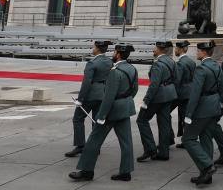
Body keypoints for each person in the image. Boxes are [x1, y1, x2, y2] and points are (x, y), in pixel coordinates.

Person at [69, 43, 138, 181]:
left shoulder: (115, 71)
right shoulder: (132, 69)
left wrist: (101, 115)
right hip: (126, 108)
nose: (113, 54)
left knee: (94, 140)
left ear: (118, 54)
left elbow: (108, 97)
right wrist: (124, 101)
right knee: (126, 142)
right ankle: (126, 172)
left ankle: (87, 171)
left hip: (112, 111)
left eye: (114, 52)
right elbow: (134, 90)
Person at [181, 41, 223, 186]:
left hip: (203, 108)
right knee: (206, 139)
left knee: (188, 139)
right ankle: (206, 175)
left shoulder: (201, 69)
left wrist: (188, 114)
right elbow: (222, 86)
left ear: (204, 52)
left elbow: (195, 93)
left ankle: (207, 166)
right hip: (214, 105)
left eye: (198, 51)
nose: (197, 53)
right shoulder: (217, 66)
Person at [66, 40, 112, 157]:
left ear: (97, 48)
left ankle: (80, 145)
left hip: (91, 95)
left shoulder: (92, 63)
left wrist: (80, 99)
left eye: (94, 47)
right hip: (103, 93)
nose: (93, 49)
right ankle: (95, 146)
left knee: (78, 119)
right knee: (96, 121)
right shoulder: (109, 61)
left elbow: (86, 83)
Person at [137, 41, 177, 162]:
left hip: (158, 96)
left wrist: (146, 100)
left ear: (160, 49)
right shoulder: (171, 61)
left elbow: (154, 85)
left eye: (155, 48)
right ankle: (164, 152)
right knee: (164, 123)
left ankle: (150, 148)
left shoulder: (157, 64)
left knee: (142, 120)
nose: (153, 50)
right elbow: (176, 78)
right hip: (169, 94)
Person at [173, 40, 196, 148]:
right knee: (187, 115)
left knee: (183, 116)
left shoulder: (180, 63)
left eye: (176, 48)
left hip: (182, 93)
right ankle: (187, 138)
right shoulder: (191, 61)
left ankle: (186, 139)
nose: (175, 50)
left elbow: (178, 80)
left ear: (180, 49)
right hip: (190, 91)